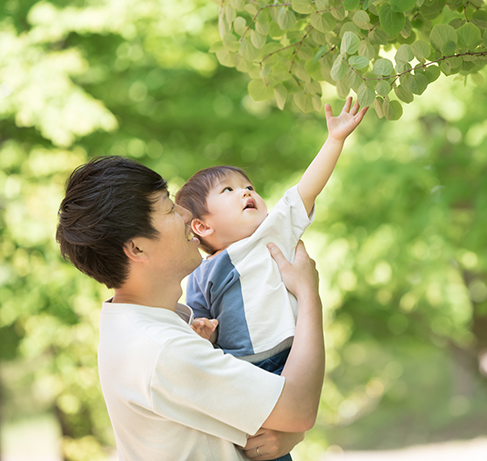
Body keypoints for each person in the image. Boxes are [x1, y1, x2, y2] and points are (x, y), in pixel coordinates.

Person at [55, 155, 325, 460]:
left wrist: (285, 432)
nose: (186, 215)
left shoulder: (138, 329)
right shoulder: (165, 349)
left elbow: (273, 423)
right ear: (136, 248)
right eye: (170, 208)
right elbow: (298, 409)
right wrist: (307, 294)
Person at [174, 98, 366, 420]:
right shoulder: (199, 273)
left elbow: (306, 189)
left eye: (248, 187)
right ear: (202, 226)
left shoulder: (272, 233)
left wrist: (334, 140)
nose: (247, 192)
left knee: (287, 426)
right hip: (241, 369)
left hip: (292, 358)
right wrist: (203, 332)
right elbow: (201, 321)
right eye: (229, 191)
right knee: (260, 443)